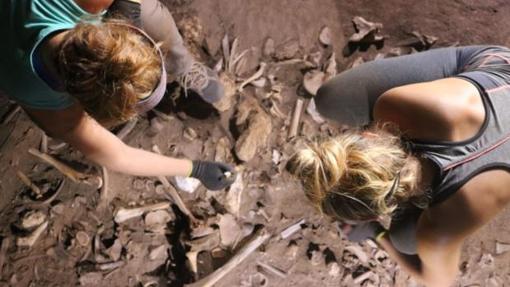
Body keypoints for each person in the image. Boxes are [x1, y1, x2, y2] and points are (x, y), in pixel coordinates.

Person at [287, 45, 510, 286]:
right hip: (499, 72)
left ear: (379, 212)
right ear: (371, 138)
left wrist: (376, 233)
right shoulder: (393, 106)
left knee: (405, 241)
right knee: (329, 99)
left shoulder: (440, 228)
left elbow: (439, 282)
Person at [0, 0, 234, 190]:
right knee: (150, 12)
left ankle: (183, 66)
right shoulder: (36, 94)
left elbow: (118, 155)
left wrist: (128, 6)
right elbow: (118, 156)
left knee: (147, 10)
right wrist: (196, 170)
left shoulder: (88, 4)